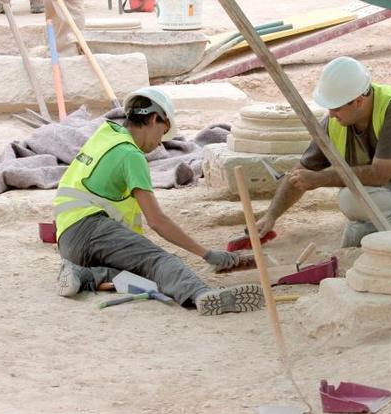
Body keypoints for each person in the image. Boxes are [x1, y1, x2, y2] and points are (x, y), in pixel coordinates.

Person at [54, 87, 264, 316]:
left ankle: (83, 275)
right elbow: (157, 221)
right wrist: (205, 253)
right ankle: (201, 294)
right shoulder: (131, 154)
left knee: (142, 275)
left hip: (67, 239)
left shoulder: (106, 135)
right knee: (158, 261)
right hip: (91, 228)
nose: (160, 143)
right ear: (154, 118)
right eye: (162, 132)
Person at [256, 56, 391, 248]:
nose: (331, 114)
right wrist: (271, 216)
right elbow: (300, 172)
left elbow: (379, 174)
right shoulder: (333, 123)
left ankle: (374, 234)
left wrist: (321, 179)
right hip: (390, 194)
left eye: (336, 107)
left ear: (358, 101)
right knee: (347, 198)